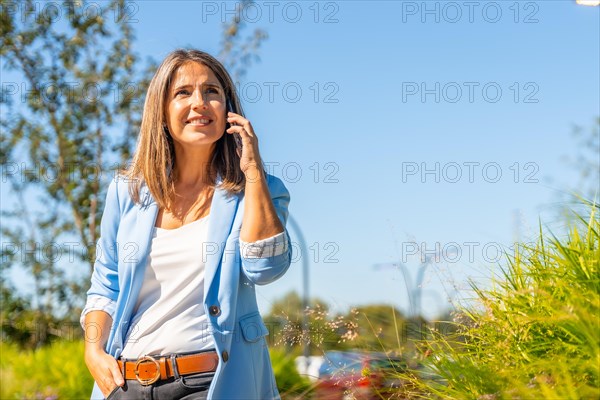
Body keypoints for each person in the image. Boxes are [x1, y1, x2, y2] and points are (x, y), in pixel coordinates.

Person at [80, 49, 292, 400]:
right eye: (183, 92)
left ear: (229, 108)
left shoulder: (258, 191)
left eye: (212, 91)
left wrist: (252, 172)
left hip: (210, 383)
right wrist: (93, 351)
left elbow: (265, 268)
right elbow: (105, 286)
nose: (200, 103)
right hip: (125, 381)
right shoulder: (127, 192)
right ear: (162, 112)